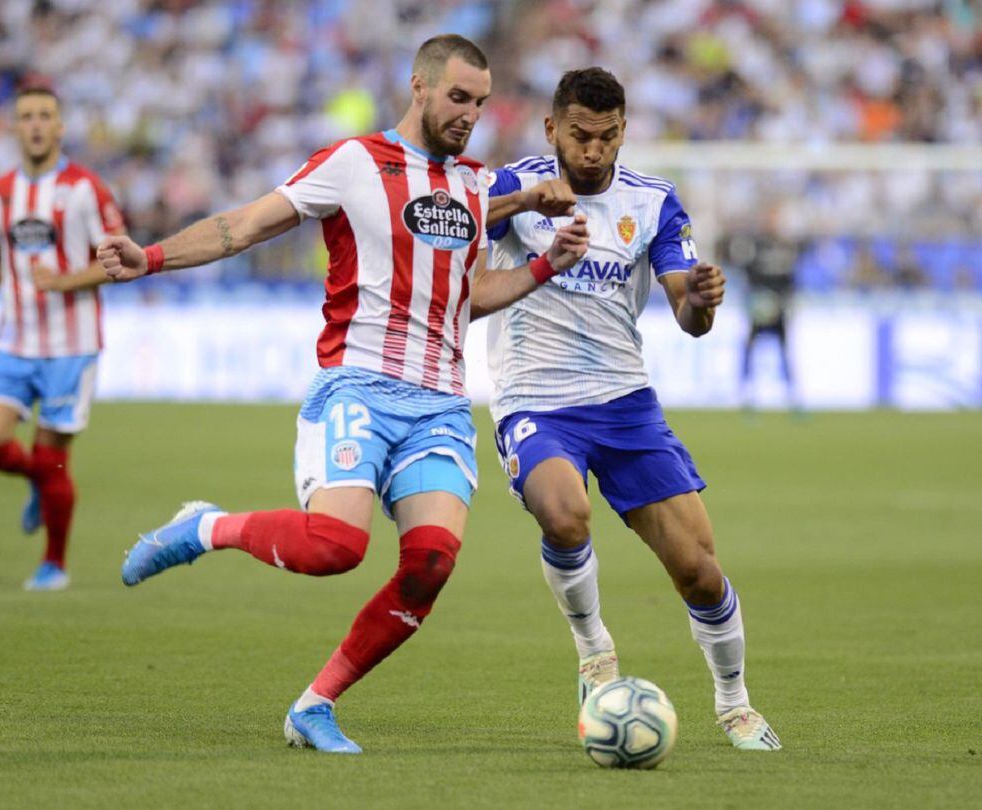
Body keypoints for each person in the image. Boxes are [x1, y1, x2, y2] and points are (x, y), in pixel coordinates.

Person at [96, 34, 588, 755]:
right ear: (418, 87)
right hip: (358, 383)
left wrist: (545, 267)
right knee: (335, 547)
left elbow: (464, 299)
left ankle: (315, 704)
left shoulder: (477, 190)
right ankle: (206, 527)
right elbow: (244, 226)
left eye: (480, 103)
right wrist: (151, 258)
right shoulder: (354, 163)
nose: (469, 114)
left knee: (430, 565)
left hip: (442, 405)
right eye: (457, 97)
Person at [483, 67, 781, 751]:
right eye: (581, 136)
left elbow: (687, 313)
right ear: (552, 128)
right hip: (535, 398)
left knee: (700, 570)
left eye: (608, 136)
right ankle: (594, 650)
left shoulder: (653, 203)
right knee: (563, 512)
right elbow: (454, 220)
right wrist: (529, 197)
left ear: (624, 131)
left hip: (626, 404)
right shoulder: (513, 186)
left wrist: (701, 300)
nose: (594, 150)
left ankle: (734, 704)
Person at [0, 81, 125, 591]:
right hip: (14, 342)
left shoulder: (86, 189)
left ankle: (54, 564)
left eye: (44, 115)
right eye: (25, 116)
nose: (34, 124)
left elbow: (119, 259)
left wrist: (66, 281)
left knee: (55, 460)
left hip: (71, 348)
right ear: (14, 126)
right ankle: (34, 477)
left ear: (60, 126)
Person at [723, 215, 799, 410]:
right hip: (759, 308)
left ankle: (792, 397)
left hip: (778, 308)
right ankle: (746, 395)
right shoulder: (756, 247)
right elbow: (748, 276)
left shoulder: (785, 249)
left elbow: (790, 281)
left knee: (783, 351)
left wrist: (787, 303)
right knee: (750, 349)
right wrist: (753, 302)